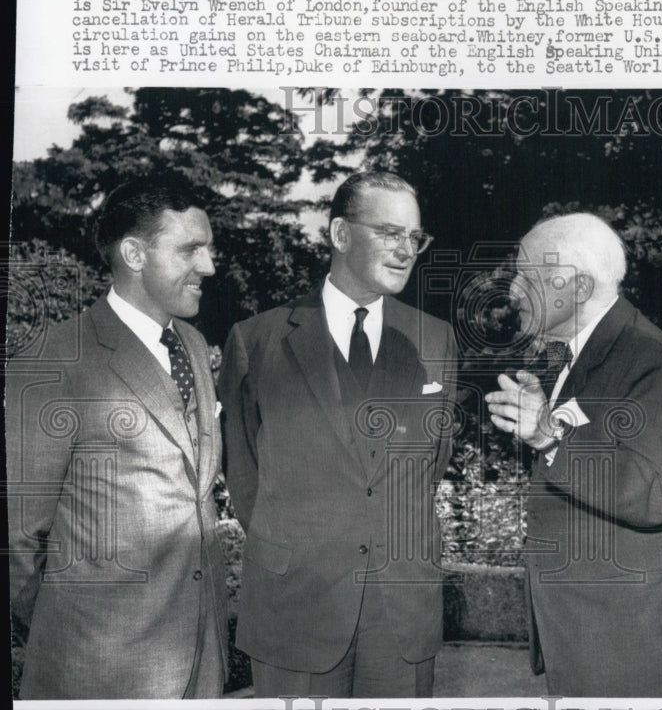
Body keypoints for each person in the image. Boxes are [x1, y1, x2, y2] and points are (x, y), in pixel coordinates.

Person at [218, 172, 457, 698]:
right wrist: (301, 549)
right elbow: (243, 474)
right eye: (389, 232)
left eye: (414, 238)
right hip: (296, 604)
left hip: (402, 612)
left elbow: (430, 467)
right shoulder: (256, 341)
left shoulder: (435, 339)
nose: (405, 250)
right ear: (340, 235)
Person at [7, 175, 227, 698]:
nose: (209, 266)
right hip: (95, 669)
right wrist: (69, 634)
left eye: (210, 248)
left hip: (203, 655)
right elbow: (18, 538)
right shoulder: (53, 360)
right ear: (133, 253)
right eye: (191, 250)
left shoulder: (193, 344)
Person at [485, 213, 662, 697]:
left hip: (629, 639)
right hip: (592, 629)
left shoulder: (644, 353)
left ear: (579, 285)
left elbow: (652, 494)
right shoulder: (572, 354)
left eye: (528, 277)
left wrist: (548, 438)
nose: (513, 293)